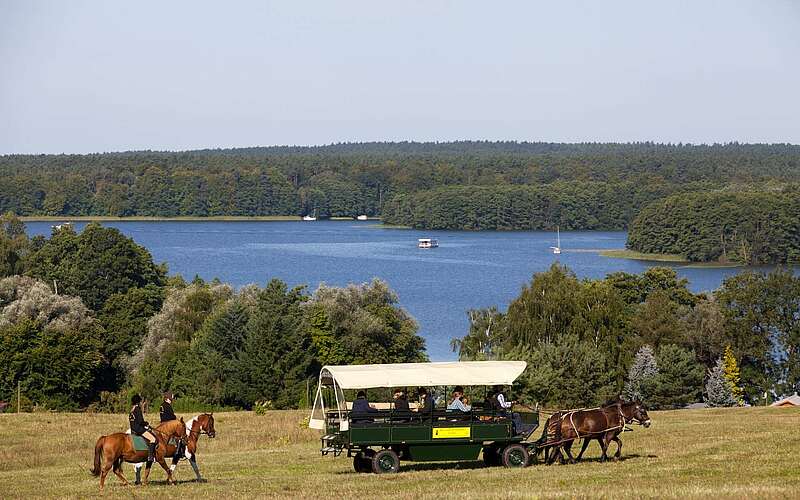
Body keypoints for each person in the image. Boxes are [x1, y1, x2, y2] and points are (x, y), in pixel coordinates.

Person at [129, 394, 157, 462]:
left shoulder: (132, 410)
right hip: (139, 430)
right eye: (140, 401)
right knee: (153, 439)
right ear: (138, 402)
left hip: (133, 429)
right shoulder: (137, 409)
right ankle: (150, 456)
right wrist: (146, 423)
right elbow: (141, 421)